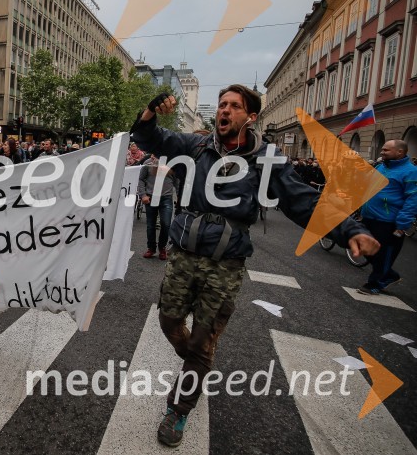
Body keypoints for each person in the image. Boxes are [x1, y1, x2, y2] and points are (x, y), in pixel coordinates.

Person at [130, 85, 379, 448]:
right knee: (169, 322)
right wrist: (151, 110)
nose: (224, 110)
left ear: (250, 116)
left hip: (226, 263)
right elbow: (147, 136)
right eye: (222, 104)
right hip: (184, 254)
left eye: (234, 106)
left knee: (201, 341)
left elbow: (302, 200)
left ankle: (178, 408)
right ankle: (199, 359)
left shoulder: (266, 158)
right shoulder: (195, 146)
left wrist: (349, 229)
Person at [357, 139, 417, 295]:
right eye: (382, 149)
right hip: (369, 216)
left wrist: (402, 225)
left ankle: (376, 283)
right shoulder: (381, 167)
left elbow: (413, 199)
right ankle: (389, 275)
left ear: (400, 152)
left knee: (384, 254)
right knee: (363, 247)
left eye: (386, 150)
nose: (382, 152)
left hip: (389, 221)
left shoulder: (411, 171)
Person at [139, 154, 178, 260]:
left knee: (166, 224)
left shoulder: (171, 164)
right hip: (150, 197)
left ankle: (162, 248)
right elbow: (141, 179)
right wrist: (143, 195)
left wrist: (179, 196)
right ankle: (151, 248)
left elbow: (177, 181)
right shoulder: (147, 163)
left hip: (166, 198)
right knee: (150, 225)